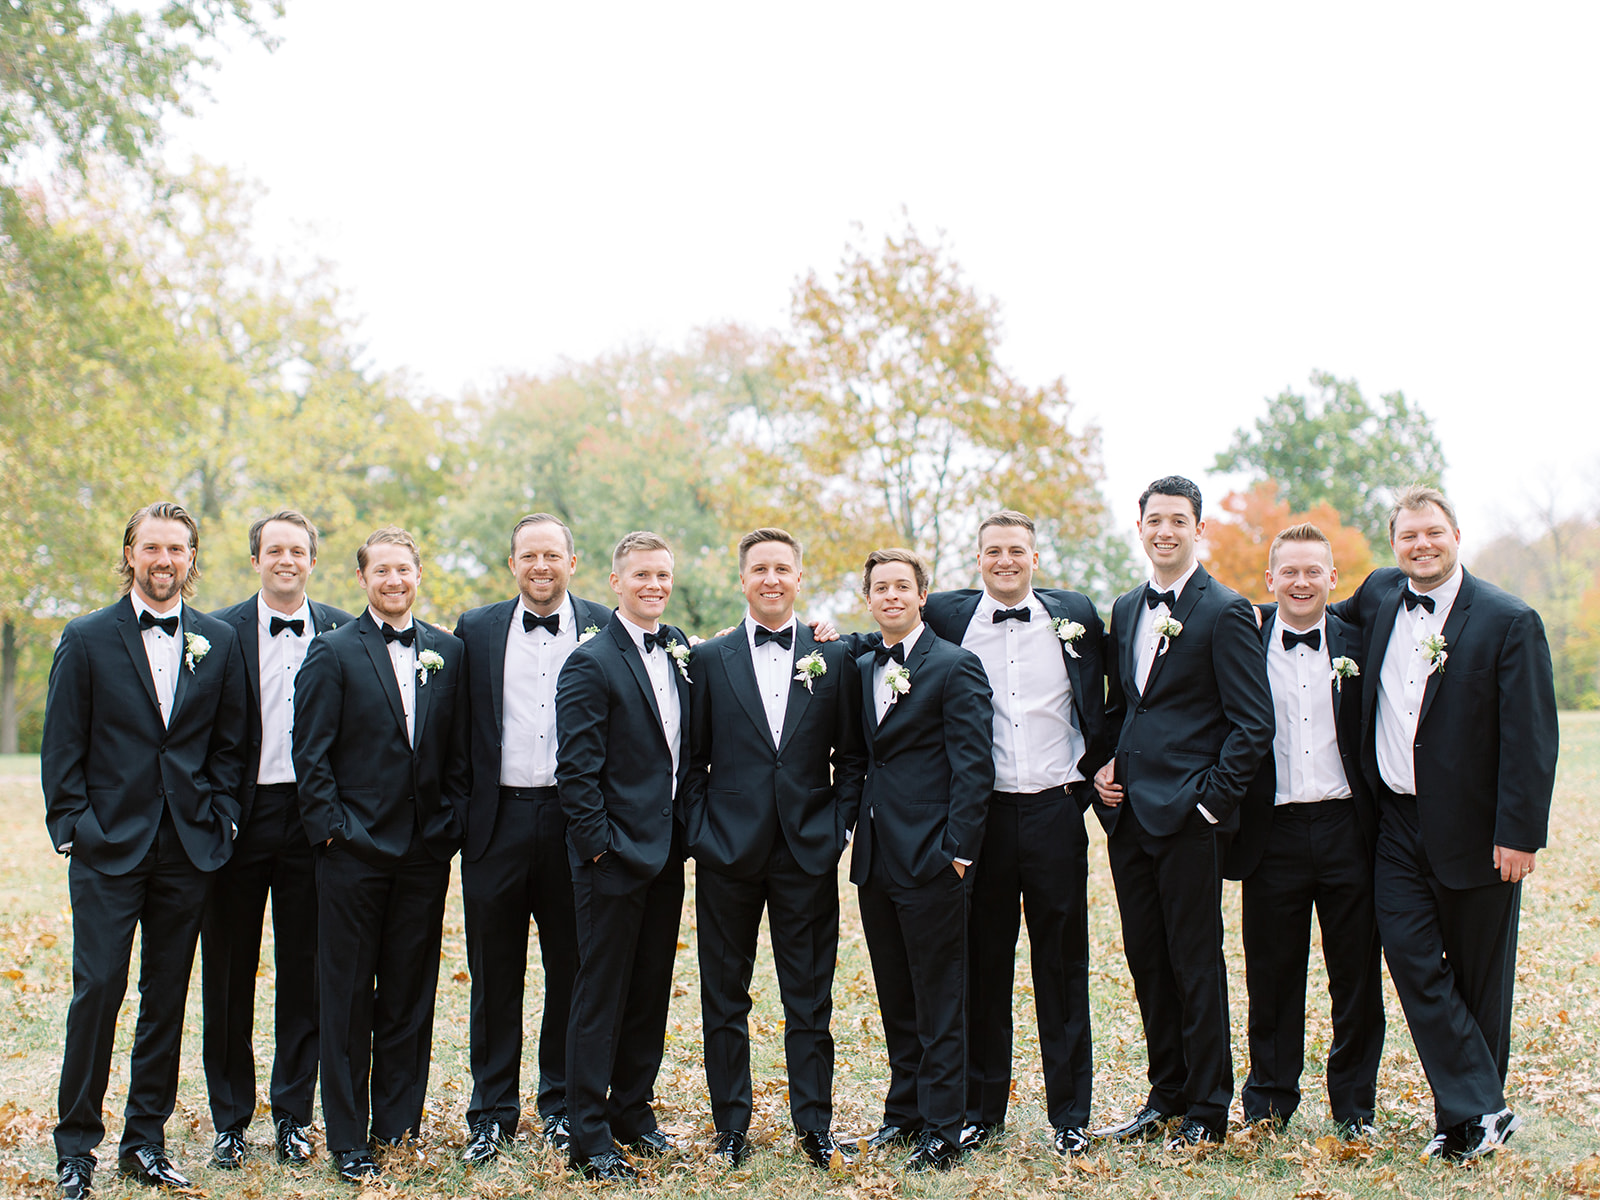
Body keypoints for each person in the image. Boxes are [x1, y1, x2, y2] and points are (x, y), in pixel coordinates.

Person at [1327, 485, 1557, 1161]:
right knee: (1413, 961)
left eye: (1433, 533)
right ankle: (1484, 1109)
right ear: (1394, 543)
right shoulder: (1376, 594)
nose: (1421, 545)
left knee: (1480, 981)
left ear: (1456, 533)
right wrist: (1234, 617)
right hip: (1395, 823)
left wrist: (1520, 832)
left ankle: (1462, 1122)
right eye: (1408, 536)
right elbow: (1307, 612)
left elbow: (1531, 738)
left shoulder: (1509, 621)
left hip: (1481, 832)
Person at [42, 501, 247, 1198]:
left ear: (193, 559)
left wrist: (220, 821)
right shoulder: (88, 636)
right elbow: (62, 745)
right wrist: (74, 826)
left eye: (178, 549)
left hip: (187, 852)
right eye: (152, 548)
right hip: (108, 848)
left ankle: (145, 1142)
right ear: (130, 553)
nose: (165, 561)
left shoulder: (218, 641)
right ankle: (75, 1149)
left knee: (166, 999)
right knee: (97, 992)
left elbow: (228, 746)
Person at [918, 510, 1108, 1158]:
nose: (1005, 561)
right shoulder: (947, 616)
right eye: (994, 551)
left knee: (1063, 967)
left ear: (1034, 556)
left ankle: (1071, 1116)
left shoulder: (1074, 614)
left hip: (1057, 811)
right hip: (983, 817)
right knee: (982, 965)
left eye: (1016, 551)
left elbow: (1114, 696)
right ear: (979, 559)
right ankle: (980, 1111)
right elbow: (884, 637)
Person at [1092, 475, 1273, 1150]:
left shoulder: (1225, 610)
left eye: (1178, 520)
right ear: (1139, 528)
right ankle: (1164, 1096)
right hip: (1129, 817)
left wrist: (1209, 805)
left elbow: (1253, 725)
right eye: (1154, 520)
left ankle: (1207, 1109)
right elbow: (1125, 709)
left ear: (1200, 530)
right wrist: (1103, 767)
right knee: (1147, 961)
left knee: (1196, 964)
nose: (1165, 530)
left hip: (1189, 821)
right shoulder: (1126, 607)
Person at [684, 528, 867, 1170]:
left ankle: (813, 1125)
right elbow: (694, 760)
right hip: (726, 854)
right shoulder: (708, 660)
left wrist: (838, 826)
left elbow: (853, 757)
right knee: (724, 996)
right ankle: (730, 1125)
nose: (770, 579)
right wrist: (703, 833)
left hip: (806, 851)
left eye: (782, 569)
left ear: (798, 578)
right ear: (742, 580)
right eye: (758, 569)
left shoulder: (833, 657)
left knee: (810, 997)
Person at [291, 526, 469, 1184]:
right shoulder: (332, 652)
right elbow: (309, 755)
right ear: (362, 579)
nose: (393, 580)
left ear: (418, 576)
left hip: (424, 855)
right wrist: (333, 832)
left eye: (404, 569)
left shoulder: (448, 653)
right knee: (345, 998)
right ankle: (348, 1137)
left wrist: (447, 826)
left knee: (408, 994)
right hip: (351, 855)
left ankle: (398, 1126)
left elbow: (460, 753)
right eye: (381, 571)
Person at [453, 514, 612, 1162]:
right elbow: (454, 724)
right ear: (512, 563)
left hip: (577, 825)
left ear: (573, 561)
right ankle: (491, 1113)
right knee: (495, 974)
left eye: (552, 555)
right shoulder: (475, 629)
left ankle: (565, 1106)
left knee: (572, 971)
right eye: (528, 556)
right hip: (497, 822)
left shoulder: (606, 623)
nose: (541, 566)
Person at [201, 510, 352, 1170]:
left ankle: (294, 1114)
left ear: (312, 562)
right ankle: (230, 1119)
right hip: (238, 819)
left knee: (306, 972)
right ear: (255, 559)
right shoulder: (215, 633)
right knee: (228, 974)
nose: (286, 559)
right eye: (274, 549)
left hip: (313, 820)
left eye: (298, 550)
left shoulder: (345, 630)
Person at [1223, 523, 1383, 1137]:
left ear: (1332, 579)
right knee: (1272, 974)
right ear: (1269, 581)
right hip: (1272, 833)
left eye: (1313, 569)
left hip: (1349, 829)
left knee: (1357, 976)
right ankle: (1268, 1101)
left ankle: (1354, 1106)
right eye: (1288, 570)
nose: (1300, 581)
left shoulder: (1363, 639)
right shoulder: (1245, 639)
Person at [852, 548, 994, 1172]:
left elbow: (974, 768)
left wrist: (957, 855)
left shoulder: (956, 666)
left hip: (935, 861)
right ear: (869, 598)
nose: (890, 596)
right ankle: (904, 1113)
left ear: (921, 596)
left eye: (901, 587)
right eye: (880, 587)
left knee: (940, 1000)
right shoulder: (861, 667)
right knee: (896, 995)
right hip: (877, 860)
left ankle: (945, 1127)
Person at [555, 531, 690, 1181]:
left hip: (666, 855)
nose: (654, 585)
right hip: (610, 859)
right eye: (641, 575)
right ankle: (589, 1133)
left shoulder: (682, 649)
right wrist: (600, 850)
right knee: (601, 994)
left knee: (649, 991)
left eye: (662, 575)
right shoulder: (590, 661)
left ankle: (634, 1110)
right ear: (615, 581)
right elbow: (575, 772)